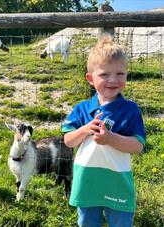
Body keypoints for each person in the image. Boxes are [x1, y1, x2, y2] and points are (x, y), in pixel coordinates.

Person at [62, 36, 146, 227]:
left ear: (127, 75)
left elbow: (137, 145)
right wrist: (84, 129)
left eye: (120, 74)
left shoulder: (130, 110)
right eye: (104, 74)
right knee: (87, 223)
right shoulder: (82, 109)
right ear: (90, 79)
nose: (113, 80)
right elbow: (68, 141)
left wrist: (110, 138)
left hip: (117, 183)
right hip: (87, 182)